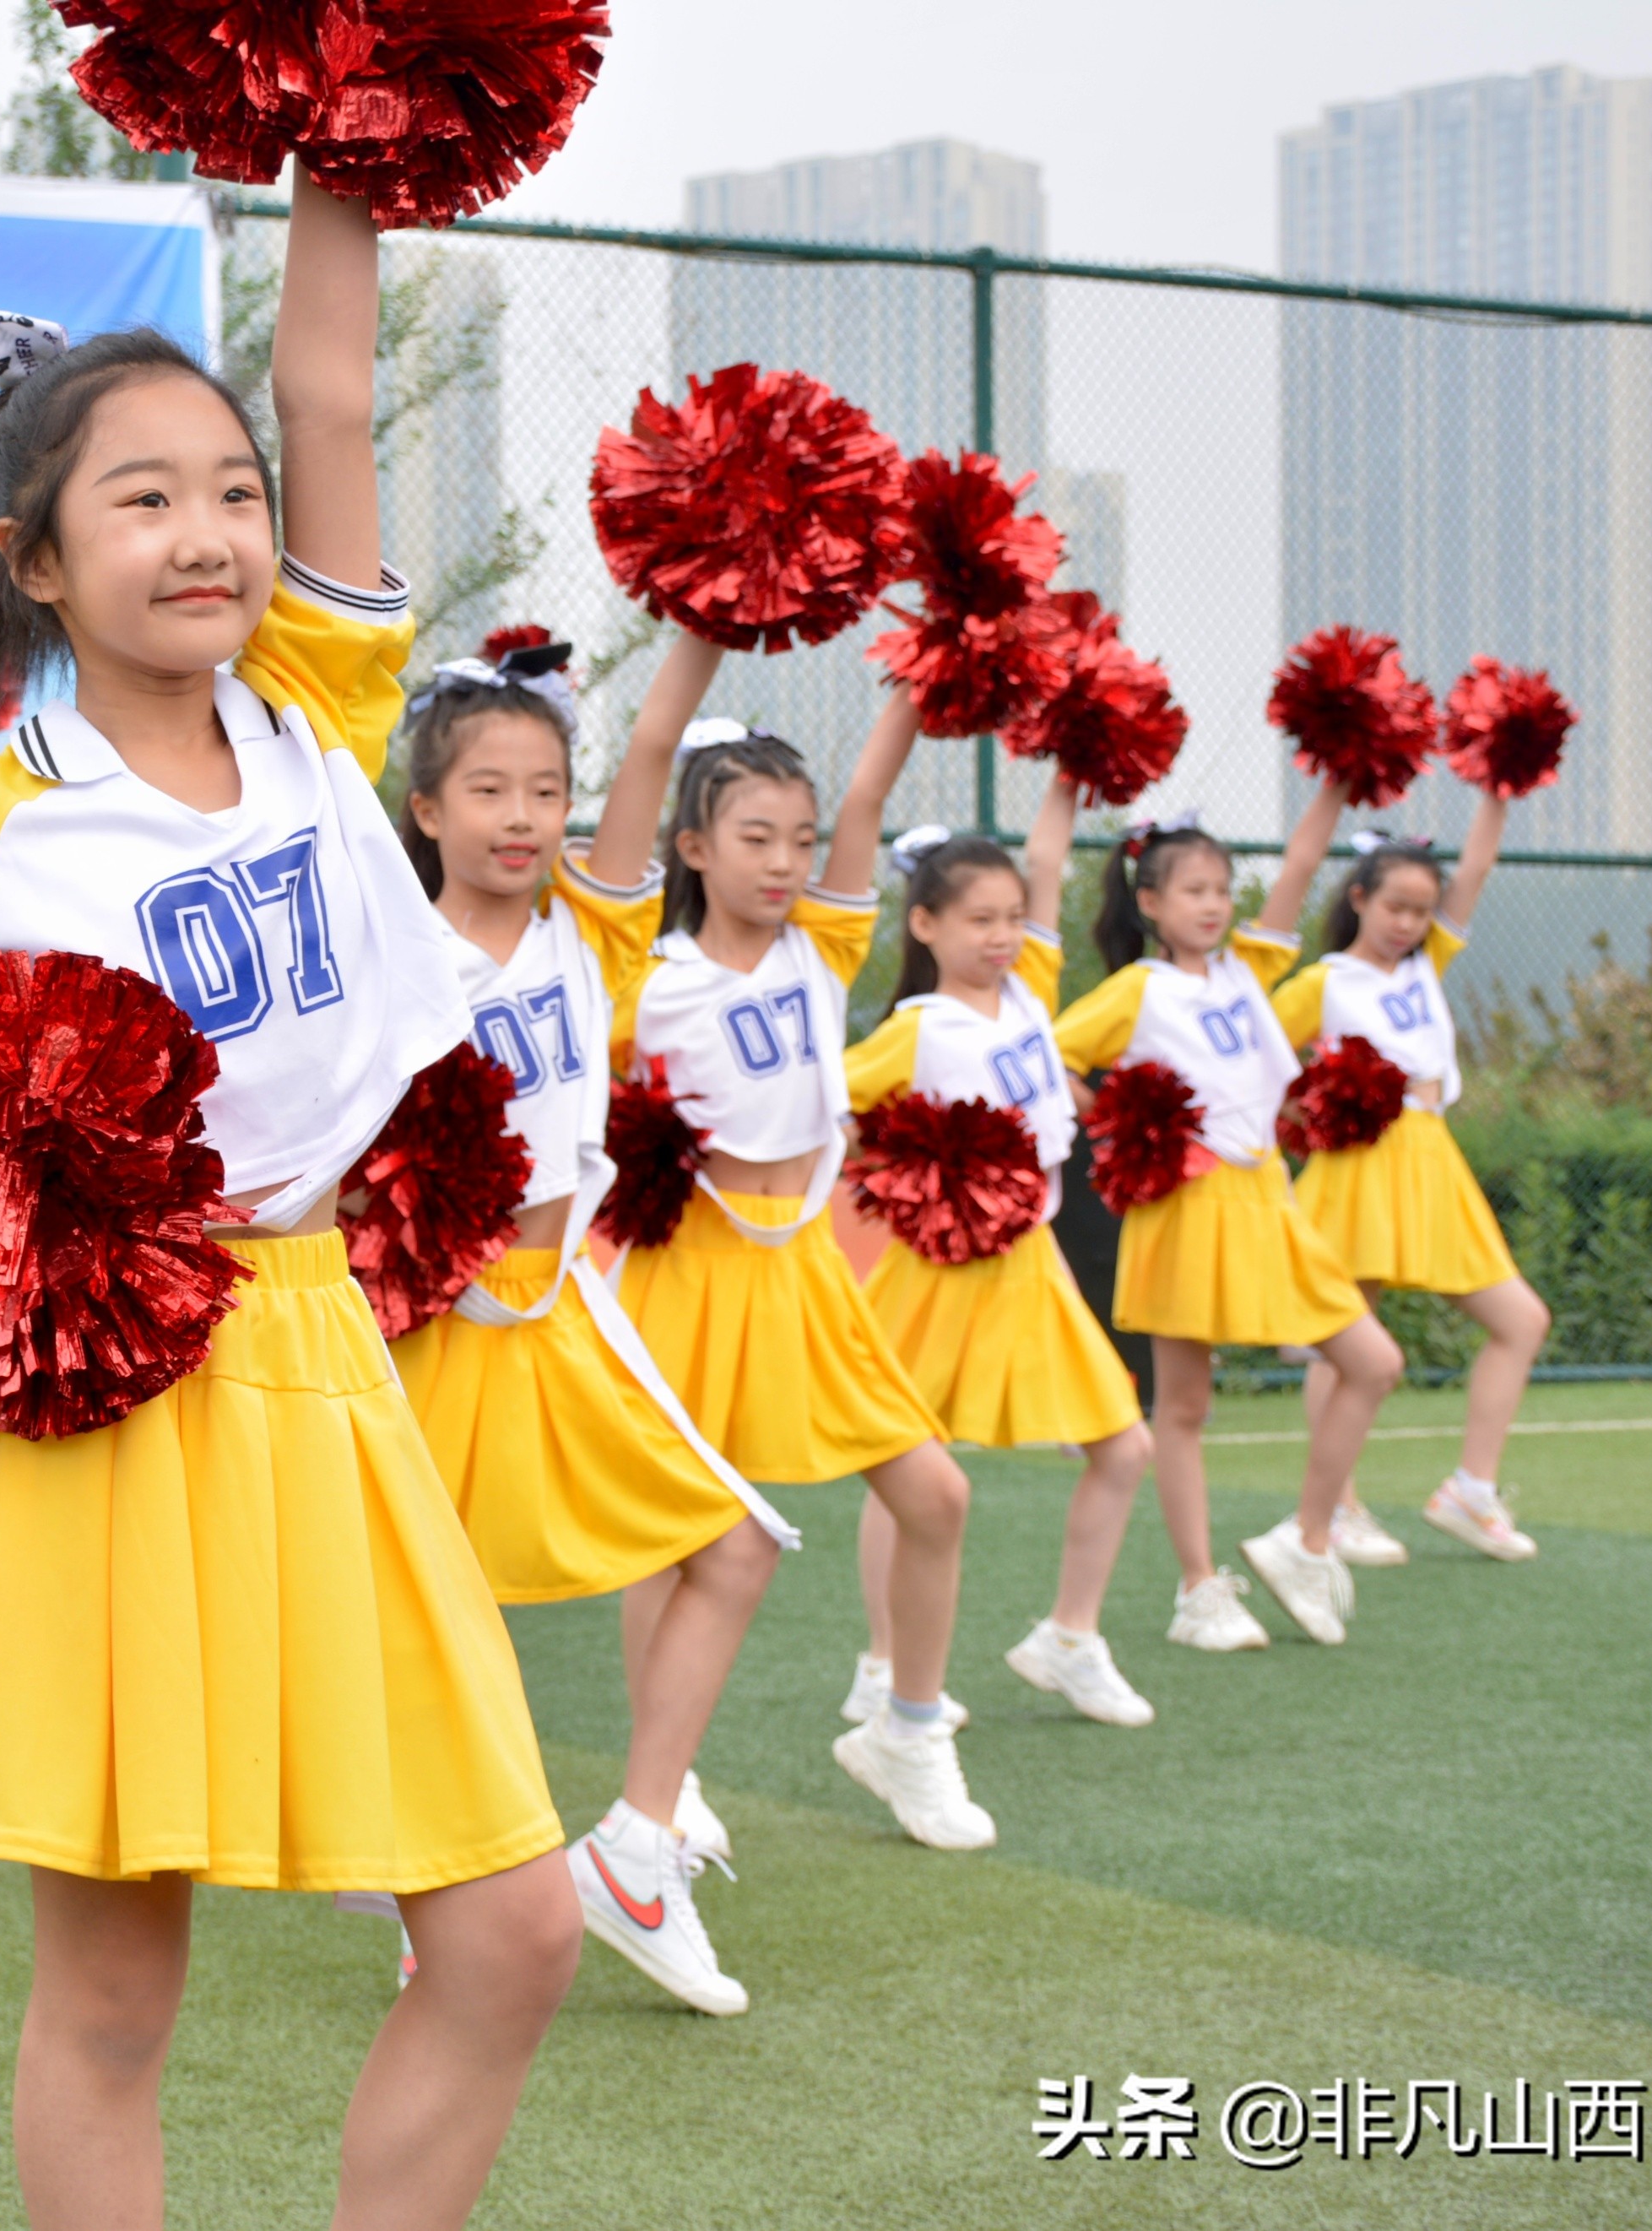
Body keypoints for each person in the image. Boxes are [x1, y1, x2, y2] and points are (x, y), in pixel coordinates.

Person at [0, 174, 580, 2231]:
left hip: (321, 1355)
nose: (206, 531)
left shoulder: (318, 706)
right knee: (119, 1994)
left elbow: (330, 386)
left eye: (228, 494)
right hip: (113, 1388)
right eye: (140, 500)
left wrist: (343, 121)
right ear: (33, 562)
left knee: (511, 1929)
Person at [385, 647, 793, 2016]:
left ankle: (634, 1848)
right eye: (487, 788)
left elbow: (655, 742)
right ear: (425, 807)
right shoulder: (391, 951)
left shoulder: (592, 929)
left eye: (546, 789)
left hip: (558, 1309)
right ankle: (437, 1892)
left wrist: (703, 625)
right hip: (428, 1321)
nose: (523, 815)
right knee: (435, 1612)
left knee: (732, 1544)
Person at [569, 655, 994, 1852]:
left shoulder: (825, 948)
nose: (785, 861)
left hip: (804, 1273)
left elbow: (866, 797)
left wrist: (925, 670)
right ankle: (666, 1781)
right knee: (670, 1537)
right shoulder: (645, 982)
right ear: (692, 847)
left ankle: (908, 1728)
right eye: (755, 837)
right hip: (685, 1270)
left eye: (799, 842)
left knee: (936, 1493)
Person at [1049, 815, 1405, 1649]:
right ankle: (1198, 1588)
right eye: (1192, 891)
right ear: (1148, 902)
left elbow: (1301, 863)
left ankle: (1303, 1541)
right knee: (1182, 1405)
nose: (1212, 905)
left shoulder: (1248, 969)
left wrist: (1333, 781)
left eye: (1220, 890)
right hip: (1187, 1205)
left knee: (1372, 1361)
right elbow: (1046, 1058)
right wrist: (1119, 1124)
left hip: (1268, 1199)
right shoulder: (1137, 989)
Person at [847, 784, 1158, 1725]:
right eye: (978, 919)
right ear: (924, 924)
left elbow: (1049, 861)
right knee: (906, 1468)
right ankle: (881, 1665)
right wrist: (914, 1178)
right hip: (938, 1273)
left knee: (1123, 1445)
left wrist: (1067, 774)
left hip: (1031, 1264)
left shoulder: (1031, 991)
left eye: (1012, 917)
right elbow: (832, 1110)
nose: (1001, 935)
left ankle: (1068, 1637)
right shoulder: (915, 1028)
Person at [1255, 775, 1547, 1563]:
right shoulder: (1323, 981)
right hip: (1355, 1168)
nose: (1408, 924)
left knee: (1521, 1320)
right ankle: (1336, 1510)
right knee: (1346, 1337)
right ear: (1357, 898)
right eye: (1395, 907)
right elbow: (1255, 1061)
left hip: (1430, 1161)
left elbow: (1475, 868)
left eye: (1421, 911)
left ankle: (1470, 1490)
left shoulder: (1425, 965)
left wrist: (1499, 782)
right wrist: (1303, 1114)